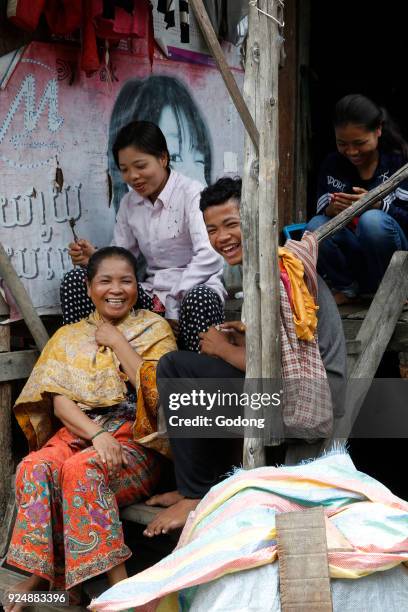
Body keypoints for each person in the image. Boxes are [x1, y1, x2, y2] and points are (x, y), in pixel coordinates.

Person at [143, 177, 347, 536]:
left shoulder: (278, 273)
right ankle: (199, 484)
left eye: (231, 224)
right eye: (212, 229)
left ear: (256, 220)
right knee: (193, 371)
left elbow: (285, 372)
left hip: (311, 398)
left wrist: (224, 350)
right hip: (298, 389)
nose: (222, 237)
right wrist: (246, 338)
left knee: (176, 368)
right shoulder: (266, 269)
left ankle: (196, 492)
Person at [5, 246, 177, 609]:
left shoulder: (155, 328)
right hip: (81, 433)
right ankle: (41, 574)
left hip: (137, 439)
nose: (116, 289)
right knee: (34, 467)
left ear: (136, 286)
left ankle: (118, 590)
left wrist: (117, 341)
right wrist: (97, 435)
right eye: (105, 281)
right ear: (89, 287)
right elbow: (58, 400)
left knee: (82, 471)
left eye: (126, 281)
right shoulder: (68, 336)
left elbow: (159, 396)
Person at [61, 121, 225, 352]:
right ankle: (85, 363)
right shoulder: (130, 203)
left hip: (193, 290)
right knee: (76, 281)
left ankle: (199, 381)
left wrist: (173, 305)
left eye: (140, 166)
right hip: (153, 295)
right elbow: (121, 256)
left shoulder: (191, 193)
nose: (133, 176)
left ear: (163, 159)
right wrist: (95, 258)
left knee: (199, 298)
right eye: (124, 169)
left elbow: (210, 256)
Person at [306, 94, 408, 305]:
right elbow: (320, 213)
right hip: (358, 258)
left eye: (360, 143)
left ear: (378, 130)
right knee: (315, 226)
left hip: (397, 257)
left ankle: (395, 289)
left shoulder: (399, 161)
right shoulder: (332, 164)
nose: (351, 151)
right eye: (342, 143)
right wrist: (331, 210)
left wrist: (379, 205)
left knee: (372, 221)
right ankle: (348, 287)